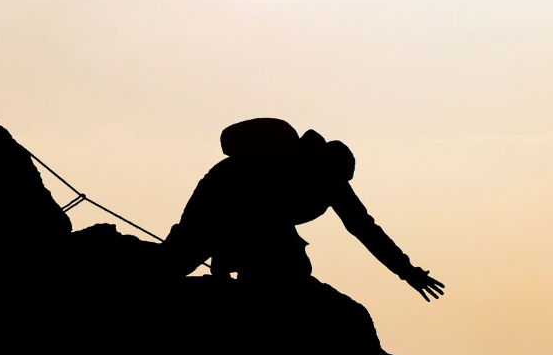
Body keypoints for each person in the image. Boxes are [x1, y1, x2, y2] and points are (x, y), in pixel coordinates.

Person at [164, 117, 445, 299]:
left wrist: (408, 271)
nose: (337, 187)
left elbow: (364, 228)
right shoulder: (285, 167)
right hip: (216, 202)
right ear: (324, 165)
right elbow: (248, 215)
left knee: (292, 269)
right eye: (336, 179)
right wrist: (224, 262)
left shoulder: (330, 181)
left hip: (247, 221)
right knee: (172, 265)